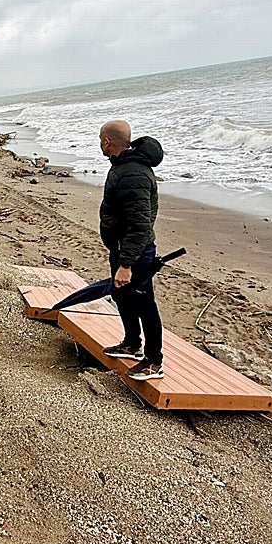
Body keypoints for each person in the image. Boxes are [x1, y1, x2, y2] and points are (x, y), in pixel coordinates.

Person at [98, 119, 166, 381]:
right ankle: (131, 343)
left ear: (108, 141)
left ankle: (153, 361)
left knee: (144, 303)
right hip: (121, 249)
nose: (100, 144)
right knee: (122, 297)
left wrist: (126, 264)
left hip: (135, 253)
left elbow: (139, 224)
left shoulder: (133, 174)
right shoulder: (123, 167)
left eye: (100, 140)